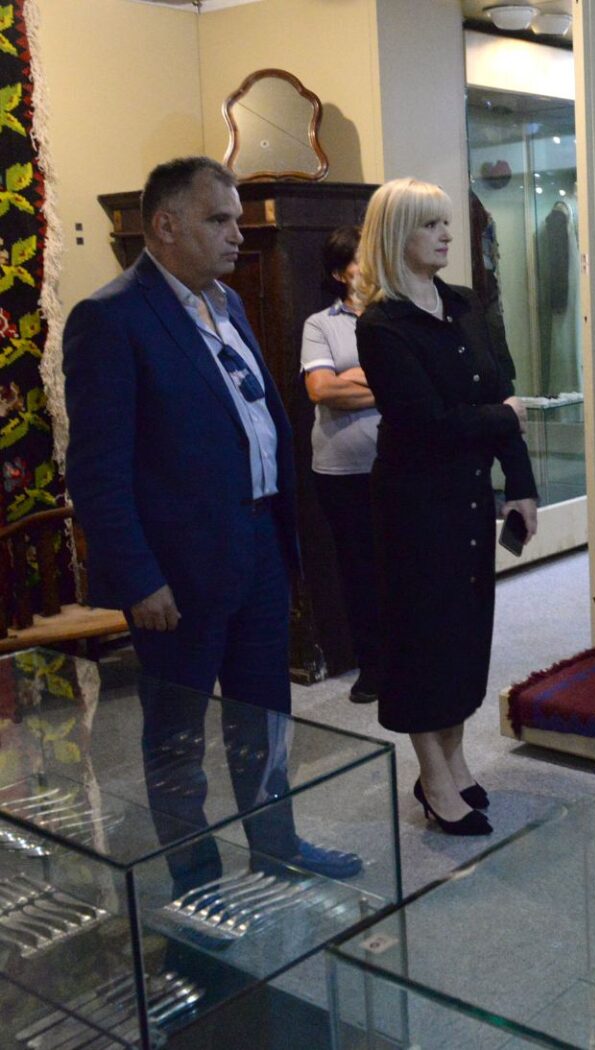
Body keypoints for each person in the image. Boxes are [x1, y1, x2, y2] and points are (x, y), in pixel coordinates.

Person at [62, 157, 361, 893]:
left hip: (257, 547)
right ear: (166, 225)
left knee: (264, 716)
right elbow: (98, 472)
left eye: (235, 219)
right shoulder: (111, 318)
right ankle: (197, 883)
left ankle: (276, 846)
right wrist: (139, 579)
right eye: (218, 220)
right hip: (177, 572)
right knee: (176, 736)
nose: (236, 234)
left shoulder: (225, 302)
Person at [354, 177, 538, 837]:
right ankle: (433, 775)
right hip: (415, 507)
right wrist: (503, 415)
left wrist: (522, 485)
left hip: (468, 497)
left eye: (445, 223)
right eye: (431, 224)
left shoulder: (462, 302)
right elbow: (427, 424)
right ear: (395, 234)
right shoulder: (381, 325)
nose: (447, 235)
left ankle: (454, 759)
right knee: (423, 643)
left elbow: (499, 393)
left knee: (465, 636)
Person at [300, 226, 384, 704]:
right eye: (358, 260)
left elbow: (416, 380)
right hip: (340, 471)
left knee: (403, 565)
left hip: (396, 462)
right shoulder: (321, 324)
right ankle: (371, 667)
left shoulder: (394, 316)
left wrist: (350, 376)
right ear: (339, 273)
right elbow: (320, 389)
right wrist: (382, 383)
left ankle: (408, 660)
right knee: (358, 570)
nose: (369, 267)